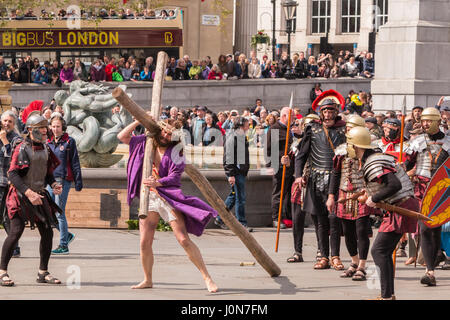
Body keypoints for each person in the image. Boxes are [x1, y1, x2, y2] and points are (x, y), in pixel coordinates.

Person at [118, 117, 219, 293]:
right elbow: (122, 136)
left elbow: (175, 176)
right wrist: (138, 121)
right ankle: (147, 279)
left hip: (167, 196)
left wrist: (159, 182)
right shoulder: (146, 141)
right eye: (165, 131)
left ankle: (207, 278)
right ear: (159, 129)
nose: (166, 135)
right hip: (148, 197)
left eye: (170, 134)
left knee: (183, 239)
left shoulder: (176, 151)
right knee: (144, 242)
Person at [0, 111, 63, 287]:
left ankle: (43, 272)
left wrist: (54, 184)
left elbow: (47, 173)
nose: (45, 131)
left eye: (45, 127)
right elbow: (13, 174)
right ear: (31, 129)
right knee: (15, 232)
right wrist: (28, 193)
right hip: (20, 195)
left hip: (39, 194)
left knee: (47, 232)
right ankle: (2, 271)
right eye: (41, 128)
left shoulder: (46, 148)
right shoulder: (22, 147)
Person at [295, 96, 346, 270]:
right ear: (320, 113)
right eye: (325, 111)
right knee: (320, 221)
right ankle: (324, 256)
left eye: (331, 110)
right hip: (315, 179)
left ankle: (336, 256)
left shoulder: (344, 130)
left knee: (334, 220)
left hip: (336, 179)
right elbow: (302, 154)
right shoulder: (312, 129)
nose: (328, 114)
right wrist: (298, 175)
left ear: (336, 112)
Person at [404, 107, 449, 286]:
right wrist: (402, 169)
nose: (425, 124)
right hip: (421, 189)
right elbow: (407, 165)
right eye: (423, 121)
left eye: (429, 121)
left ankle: (434, 260)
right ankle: (429, 271)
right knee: (424, 229)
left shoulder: (449, 142)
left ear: (438, 122)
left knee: (435, 230)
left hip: (442, 192)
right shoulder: (417, 142)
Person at [328, 126, 373, 281]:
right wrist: (331, 195)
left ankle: (362, 265)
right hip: (344, 194)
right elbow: (335, 174)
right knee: (347, 232)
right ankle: (353, 262)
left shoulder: (371, 153)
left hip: (362, 195)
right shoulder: (341, 153)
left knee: (361, 231)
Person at [46, 114, 83, 255]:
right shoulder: (47, 142)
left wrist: (78, 182)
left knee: (59, 212)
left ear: (63, 128)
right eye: (53, 126)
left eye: (58, 127)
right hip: (50, 180)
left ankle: (63, 245)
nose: (55, 129)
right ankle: (66, 235)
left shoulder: (69, 142)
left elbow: (75, 163)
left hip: (62, 180)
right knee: (49, 211)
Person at [287, 113, 320, 263]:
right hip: (299, 184)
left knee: (317, 218)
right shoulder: (296, 145)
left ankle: (321, 250)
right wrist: (286, 162)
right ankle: (297, 251)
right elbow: (292, 166)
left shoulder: (321, 142)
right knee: (297, 219)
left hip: (315, 182)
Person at [215, 117, 252, 232]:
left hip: (239, 171)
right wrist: (231, 174)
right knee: (240, 198)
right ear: (241, 126)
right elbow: (228, 157)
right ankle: (241, 223)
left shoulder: (239, 136)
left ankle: (220, 218)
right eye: (247, 125)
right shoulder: (233, 136)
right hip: (236, 172)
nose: (248, 127)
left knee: (234, 196)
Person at [266, 107, 299, 229]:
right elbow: (270, 150)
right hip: (280, 168)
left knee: (290, 194)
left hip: (291, 167)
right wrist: (277, 163)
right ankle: (276, 218)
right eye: (292, 117)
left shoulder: (289, 129)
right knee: (278, 193)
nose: (294, 119)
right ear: (284, 116)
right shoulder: (274, 129)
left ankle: (289, 217)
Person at [0, 111, 22, 258]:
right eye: (5, 121)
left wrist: (4, 141)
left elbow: (14, 157)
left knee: (7, 216)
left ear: (14, 125)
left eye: (10, 121)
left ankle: (14, 246)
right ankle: (14, 246)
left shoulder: (17, 139)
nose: (7, 124)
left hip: (8, 182)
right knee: (4, 216)